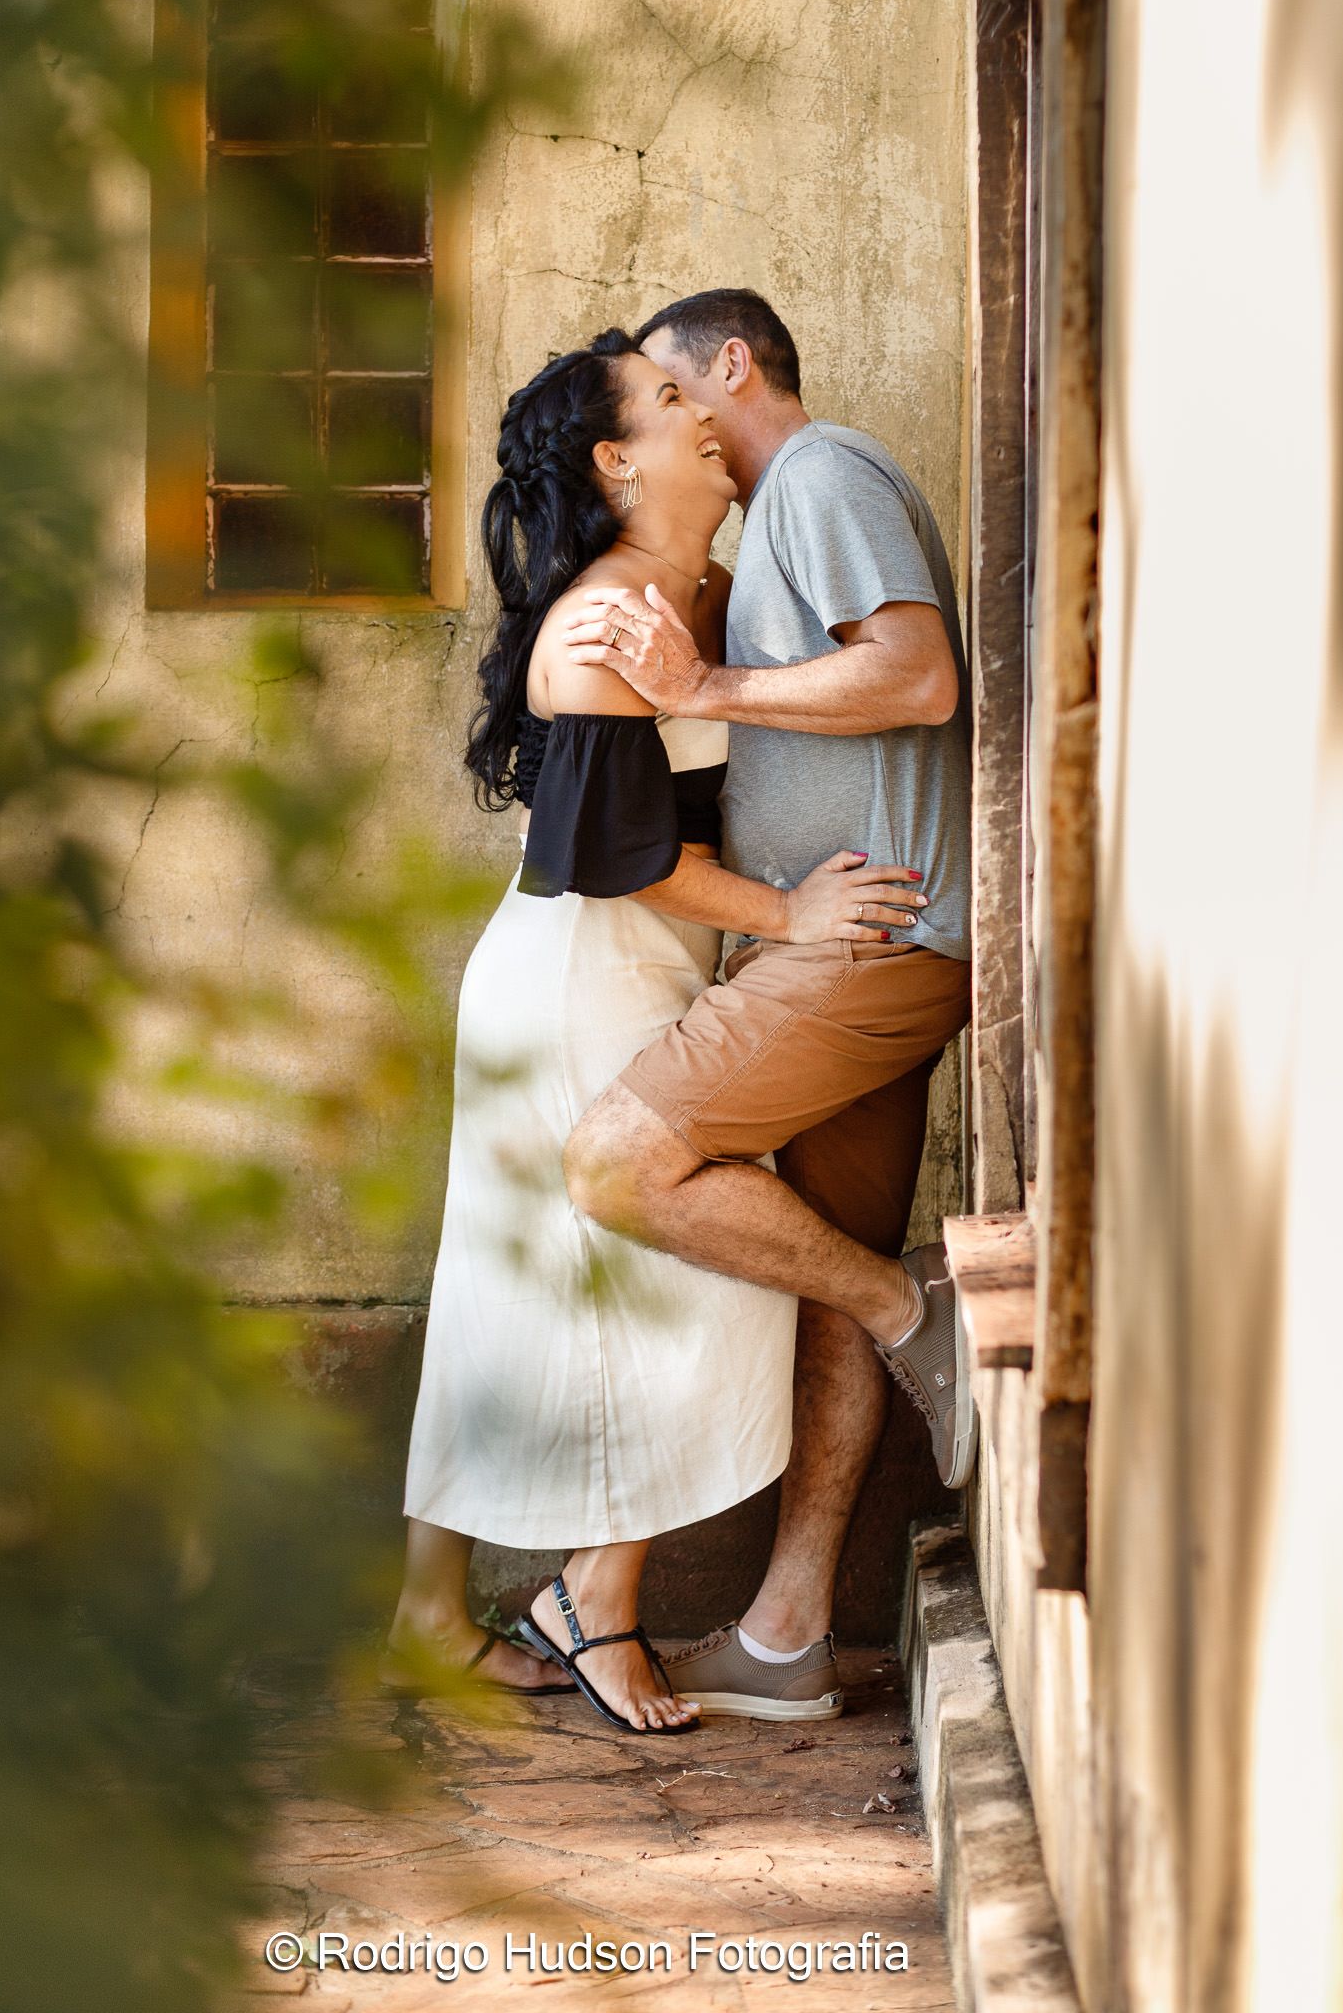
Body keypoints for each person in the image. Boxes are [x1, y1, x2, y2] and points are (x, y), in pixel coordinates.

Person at [387, 330, 930, 1734]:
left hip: (635, 971)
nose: (704, 415)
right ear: (614, 461)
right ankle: (597, 1607)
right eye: (668, 398)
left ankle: (428, 1620)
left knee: (521, 1280)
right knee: (628, 1279)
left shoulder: (711, 590)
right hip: (580, 968)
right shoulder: (603, 620)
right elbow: (611, 854)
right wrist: (792, 916)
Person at [560, 288, 974, 1724]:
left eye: (675, 394)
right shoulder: (784, 519)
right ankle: (789, 1635)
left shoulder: (820, 472)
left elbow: (916, 677)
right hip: (869, 945)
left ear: (733, 365)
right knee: (820, 1282)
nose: (676, 424)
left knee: (620, 1162)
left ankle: (910, 1304)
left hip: (865, 946)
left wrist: (716, 679)